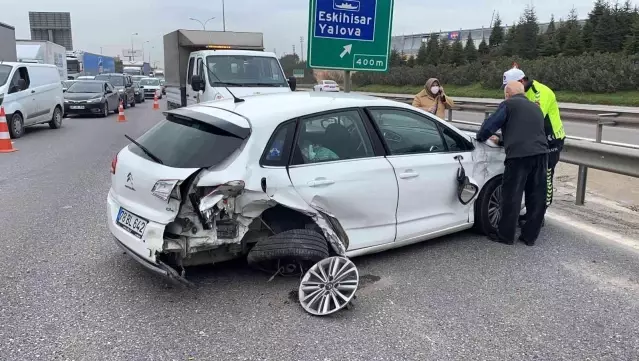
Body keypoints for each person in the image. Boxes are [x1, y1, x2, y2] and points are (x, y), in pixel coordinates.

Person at [476, 81, 549, 246]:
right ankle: (530, 237)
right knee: (536, 196)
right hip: (540, 154)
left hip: (519, 156)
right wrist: (504, 139)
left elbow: (489, 126)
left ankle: (506, 235)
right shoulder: (535, 107)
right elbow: (528, 131)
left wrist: (481, 136)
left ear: (508, 93)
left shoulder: (508, 105)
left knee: (511, 195)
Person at [501, 67, 566, 226]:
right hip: (535, 140)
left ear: (522, 81)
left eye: (509, 86)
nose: (507, 91)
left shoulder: (540, 92)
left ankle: (539, 216)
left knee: (544, 179)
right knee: (530, 179)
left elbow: (531, 119)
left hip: (551, 140)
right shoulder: (519, 93)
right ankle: (532, 214)